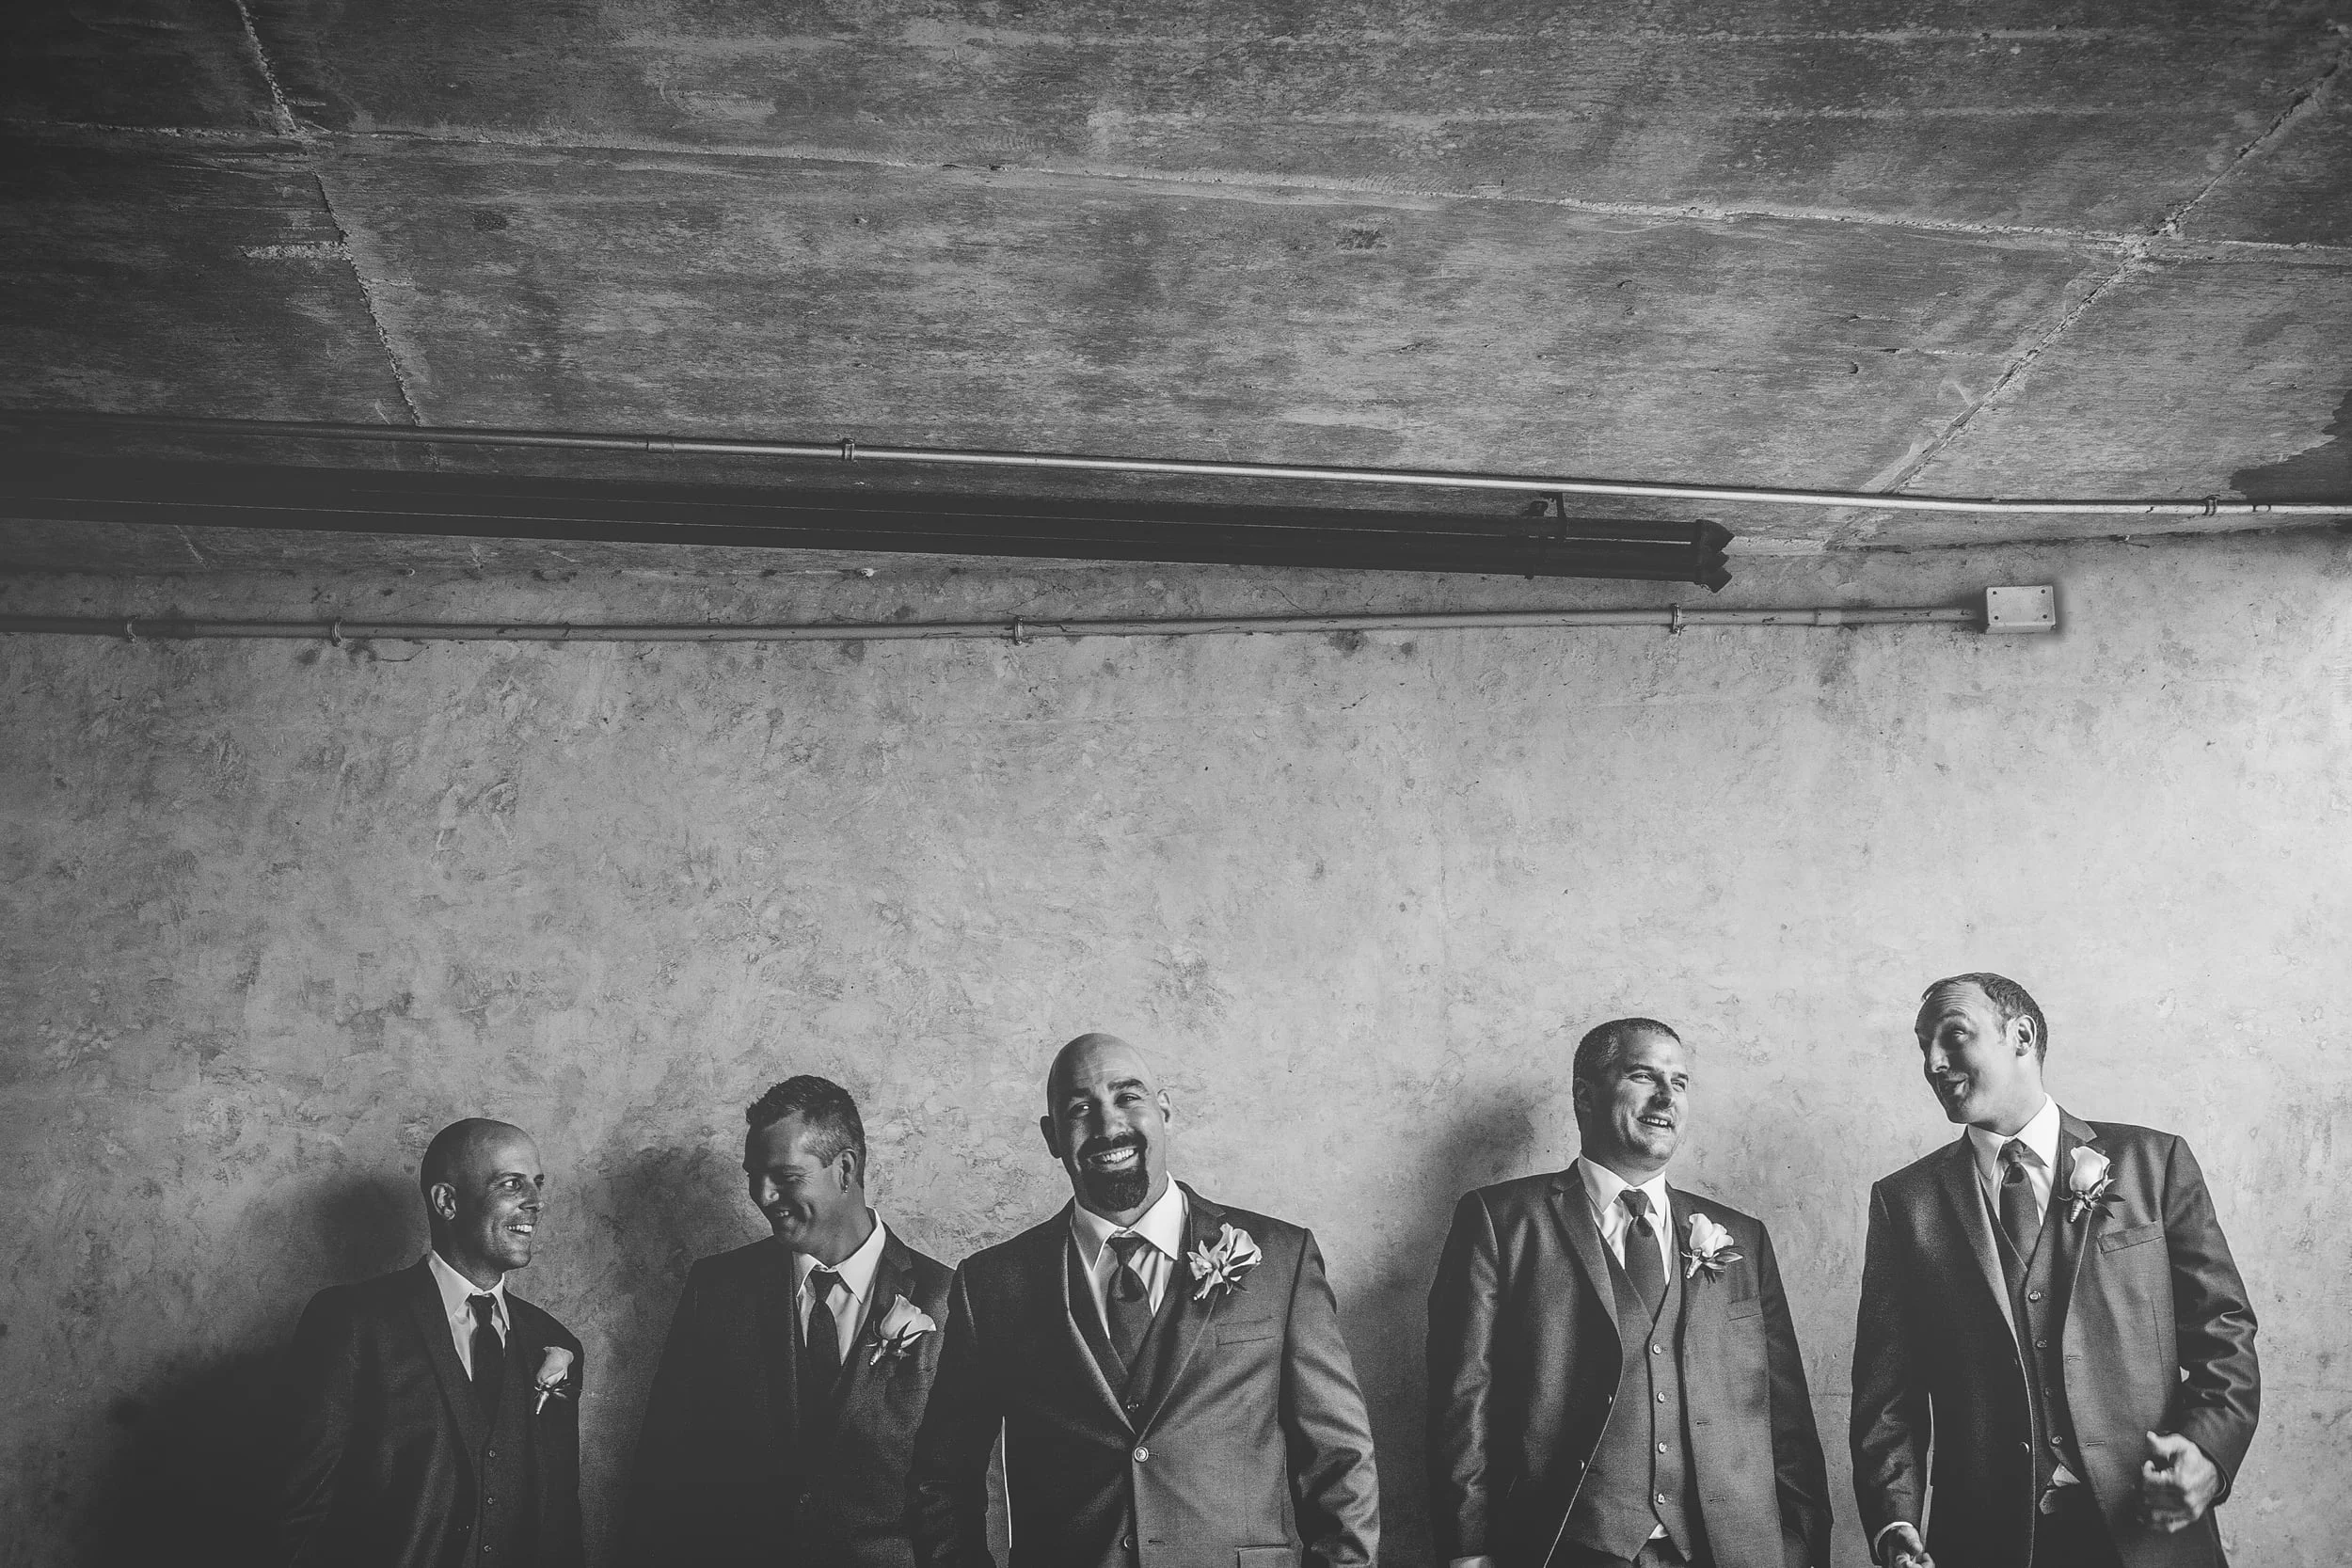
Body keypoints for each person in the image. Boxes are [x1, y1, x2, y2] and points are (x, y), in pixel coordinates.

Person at [909, 1031, 1380, 1568]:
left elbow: (1340, 1460)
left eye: (1128, 1096)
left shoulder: (1281, 1259)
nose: (1108, 1125)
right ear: (1052, 1136)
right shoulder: (992, 1285)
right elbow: (942, 1481)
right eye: (1080, 1109)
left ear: (1165, 1110)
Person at [1851, 974, 2261, 1568]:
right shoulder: (1905, 1203)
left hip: (2150, 1528)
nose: (1933, 1062)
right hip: (1984, 1540)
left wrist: (2208, 1452)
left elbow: (2223, 1330)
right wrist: (1895, 1519)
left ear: (2022, 1036)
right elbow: (1886, 1393)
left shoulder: (2155, 1162)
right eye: (1923, 1046)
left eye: (1954, 1036)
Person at [1427, 1017, 1832, 1568]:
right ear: (1585, 1095)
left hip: (1729, 1551)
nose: (1667, 1097)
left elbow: (1786, 1412)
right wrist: (1467, 1549)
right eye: (1644, 1076)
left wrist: (1804, 1544)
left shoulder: (1744, 1237)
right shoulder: (1501, 1220)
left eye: (1680, 1082)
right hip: (1565, 1548)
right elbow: (1462, 1399)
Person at [625, 1075, 952, 1568]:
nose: (762, 1195)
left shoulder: (947, 1300)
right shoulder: (716, 1291)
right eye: (753, 1175)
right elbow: (661, 1472)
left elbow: (967, 1493)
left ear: (846, 1169)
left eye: (785, 1176)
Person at [281, 1117, 584, 1568]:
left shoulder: (553, 1340)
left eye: (537, 1183)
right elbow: (299, 1515)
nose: (536, 1202)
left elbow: (560, 1519)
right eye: (511, 1183)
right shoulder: (351, 1322)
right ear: (447, 1202)